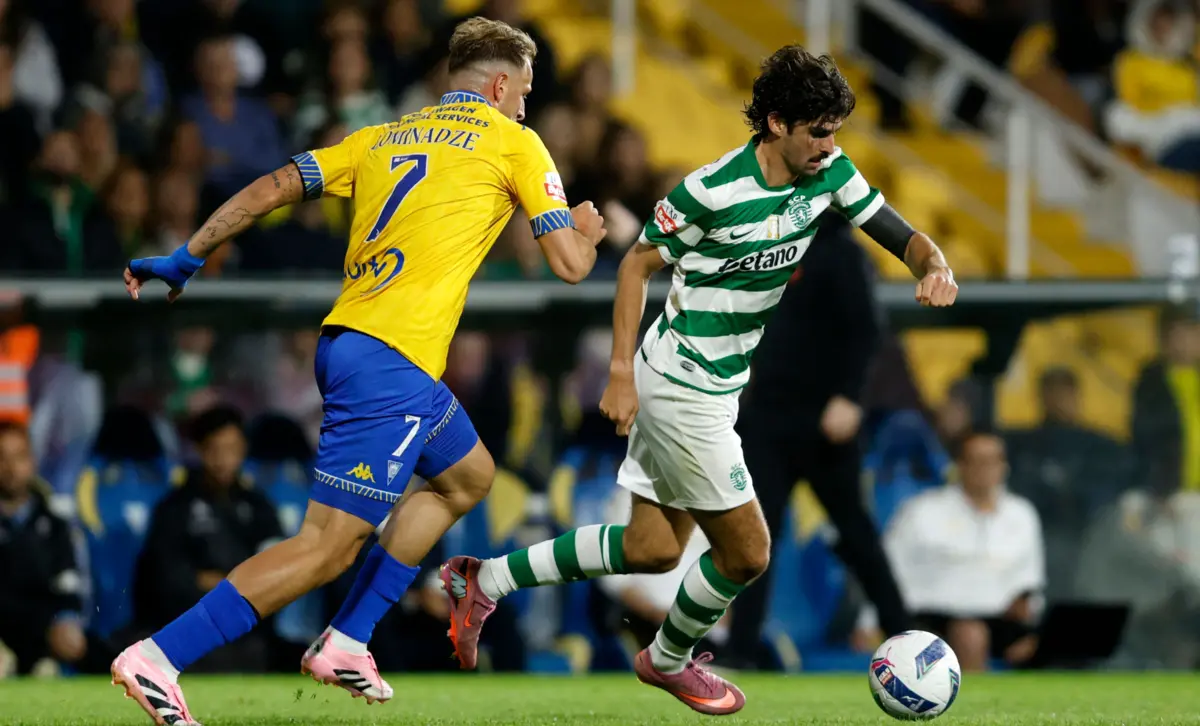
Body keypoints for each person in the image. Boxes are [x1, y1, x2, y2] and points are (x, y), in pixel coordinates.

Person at [110, 16, 607, 726]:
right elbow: (568, 267)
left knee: (468, 475)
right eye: (523, 91)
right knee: (325, 547)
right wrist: (585, 232)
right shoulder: (515, 143)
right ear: (499, 85)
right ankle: (158, 656)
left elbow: (275, 185)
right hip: (391, 364)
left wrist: (188, 254)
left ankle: (347, 639)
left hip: (352, 344)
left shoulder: (382, 137)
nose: (526, 106)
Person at [440, 44, 958, 716]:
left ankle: (483, 580)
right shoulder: (711, 191)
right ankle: (668, 660)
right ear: (776, 123)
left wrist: (935, 266)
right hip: (681, 384)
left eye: (835, 132)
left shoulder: (830, 172)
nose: (831, 146)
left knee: (651, 550)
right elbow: (634, 267)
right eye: (818, 131)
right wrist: (620, 374)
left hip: (714, 385)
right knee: (748, 553)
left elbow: (903, 235)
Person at [724, 210, 913, 668]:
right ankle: (741, 650)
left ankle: (906, 637)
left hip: (823, 417)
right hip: (768, 417)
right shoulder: (766, 241)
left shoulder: (840, 251)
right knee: (754, 537)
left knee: (855, 531)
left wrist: (850, 395)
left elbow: (868, 328)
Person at [880, 430, 1044, 672]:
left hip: (1000, 620)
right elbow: (888, 569)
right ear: (960, 465)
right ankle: (975, 706)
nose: (985, 469)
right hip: (933, 618)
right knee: (970, 634)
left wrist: (1028, 613)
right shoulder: (922, 511)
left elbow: (1031, 581)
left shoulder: (1023, 514)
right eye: (977, 461)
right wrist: (871, 622)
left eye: (992, 461)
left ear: (1004, 466)